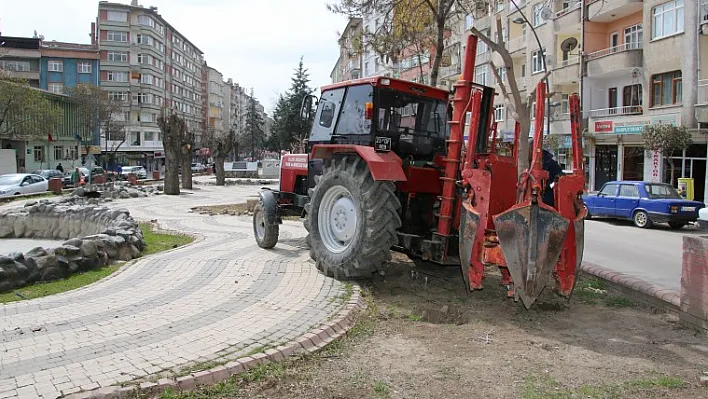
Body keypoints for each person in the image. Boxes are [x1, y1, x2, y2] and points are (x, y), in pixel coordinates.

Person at [528, 140, 563, 207]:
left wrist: (549, 186)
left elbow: (558, 178)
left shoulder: (549, 163)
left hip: (547, 198)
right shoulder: (529, 163)